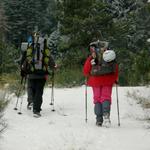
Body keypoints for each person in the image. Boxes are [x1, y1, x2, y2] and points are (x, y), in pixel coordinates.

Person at [83, 40, 118, 127]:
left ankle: (99, 119)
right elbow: (115, 69)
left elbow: (86, 71)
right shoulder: (109, 56)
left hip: (95, 81)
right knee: (106, 98)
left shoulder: (92, 57)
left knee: (97, 99)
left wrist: (88, 76)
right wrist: (115, 79)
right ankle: (106, 116)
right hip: (108, 80)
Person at [21, 32, 56, 117]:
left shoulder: (31, 46)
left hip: (31, 73)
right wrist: (54, 66)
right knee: (39, 91)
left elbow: (26, 59)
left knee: (30, 88)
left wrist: (23, 70)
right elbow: (49, 58)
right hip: (42, 74)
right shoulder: (44, 47)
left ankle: (31, 101)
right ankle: (36, 110)